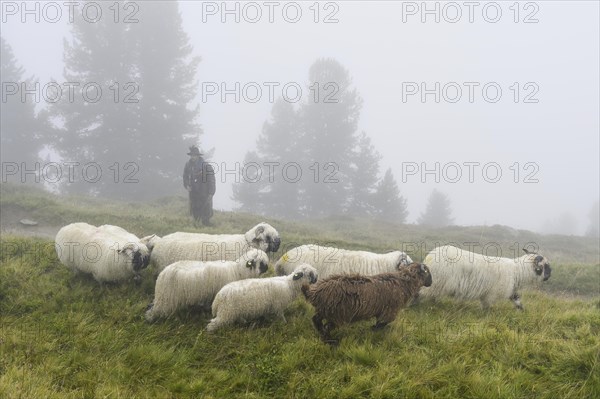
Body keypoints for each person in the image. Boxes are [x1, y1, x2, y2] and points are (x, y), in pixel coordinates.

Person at [183, 146, 216, 226]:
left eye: (194, 155)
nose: (192, 157)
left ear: (198, 156)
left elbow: (211, 180)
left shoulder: (206, 166)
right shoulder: (188, 165)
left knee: (205, 209)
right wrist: (187, 185)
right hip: (193, 192)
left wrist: (211, 192)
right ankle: (196, 224)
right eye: (191, 155)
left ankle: (206, 224)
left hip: (204, 191)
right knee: (195, 209)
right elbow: (185, 176)